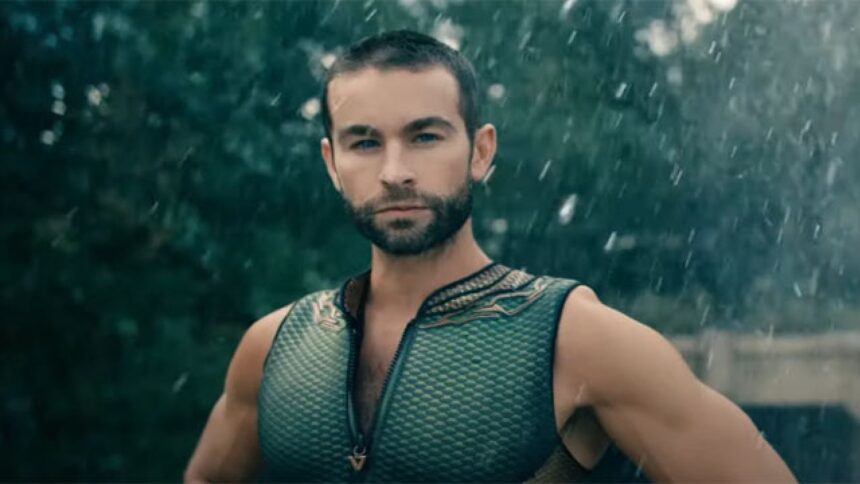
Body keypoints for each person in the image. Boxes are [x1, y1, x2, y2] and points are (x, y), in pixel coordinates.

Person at [184, 29, 796, 483]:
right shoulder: (275, 346)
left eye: (425, 136)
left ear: (480, 152)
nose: (395, 172)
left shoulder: (578, 341)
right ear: (332, 164)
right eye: (365, 143)